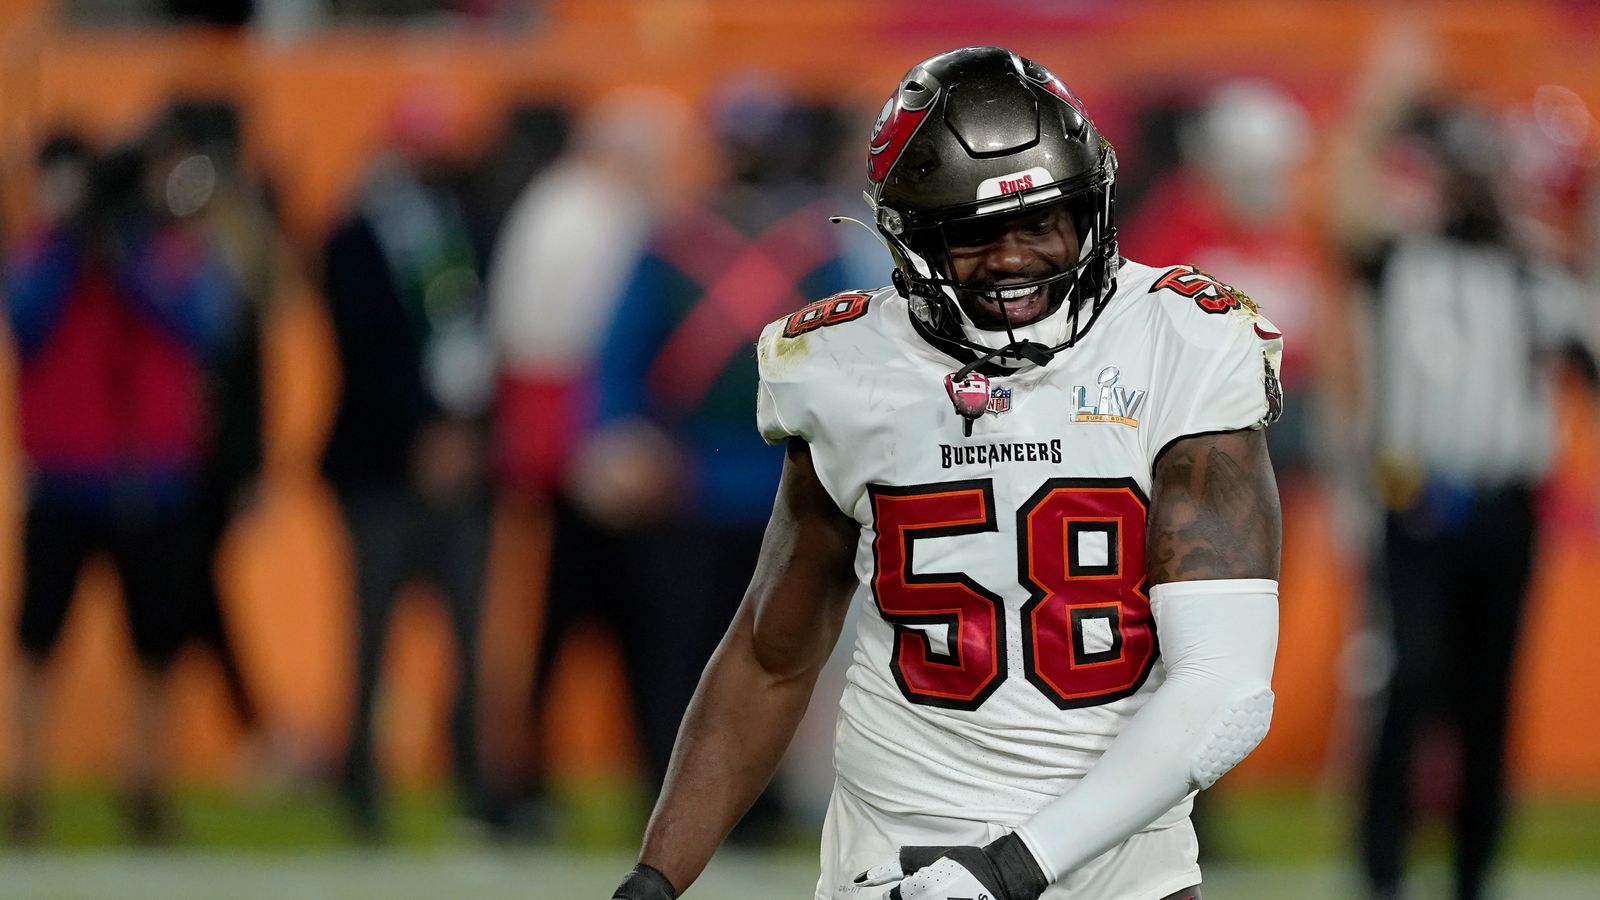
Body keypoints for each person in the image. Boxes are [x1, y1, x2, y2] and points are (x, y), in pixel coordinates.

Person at [611, 46, 1284, 900]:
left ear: (1094, 206)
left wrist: (1006, 870)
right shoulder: (844, 366)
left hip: (1115, 873)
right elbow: (770, 654)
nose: (1013, 259)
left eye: (1042, 220)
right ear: (910, 238)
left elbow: (1224, 690)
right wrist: (655, 878)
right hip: (892, 860)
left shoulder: (1181, 342)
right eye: (974, 232)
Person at [1332, 28, 1599, 900]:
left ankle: (1473, 876)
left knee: (1489, 698)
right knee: (1410, 682)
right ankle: (1381, 872)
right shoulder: (1401, 254)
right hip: (1418, 499)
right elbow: (1341, 207)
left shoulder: (1535, 269)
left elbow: (1586, 359)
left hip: (1507, 504)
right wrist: (1380, 99)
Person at [5, 130, 238, 843]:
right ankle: (22, 786)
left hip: (154, 482)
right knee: (38, 642)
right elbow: (24, 319)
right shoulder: (47, 257)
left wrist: (130, 261)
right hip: (66, 480)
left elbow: (207, 323)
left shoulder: (167, 256)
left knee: (157, 647)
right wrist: (76, 249)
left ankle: (146, 785)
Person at [320, 95, 494, 839]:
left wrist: (465, 434)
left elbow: (485, 338)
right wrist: (427, 432)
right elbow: (361, 350)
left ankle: (471, 786)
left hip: (460, 463)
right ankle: (359, 784)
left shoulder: (469, 231)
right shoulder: (355, 238)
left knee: (469, 638)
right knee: (371, 636)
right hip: (381, 467)